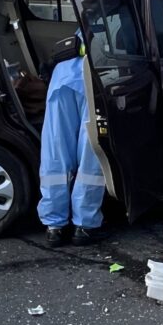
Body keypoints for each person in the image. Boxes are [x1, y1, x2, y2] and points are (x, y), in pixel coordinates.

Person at [37, 47, 106, 247]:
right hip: (94, 78)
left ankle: (54, 228)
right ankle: (84, 226)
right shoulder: (115, 18)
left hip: (62, 77)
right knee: (90, 153)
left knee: (56, 150)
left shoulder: (83, 24)